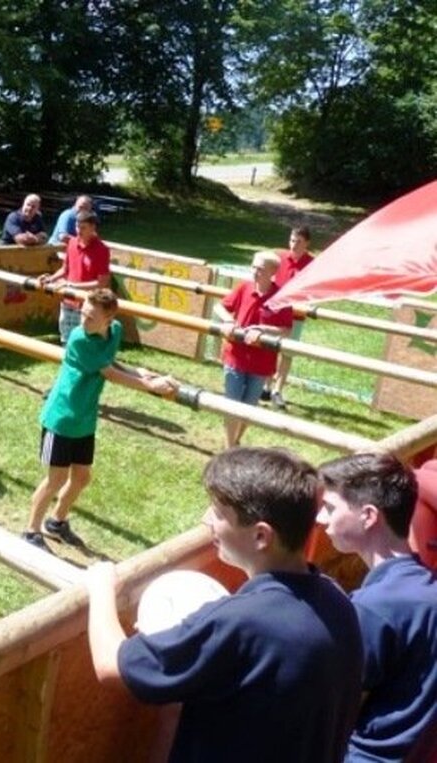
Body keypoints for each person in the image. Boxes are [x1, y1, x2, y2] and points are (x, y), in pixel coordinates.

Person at [87, 447, 364, 763]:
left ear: (261, 536)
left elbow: (111, 666)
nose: (205, 519)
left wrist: (101, 587)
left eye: (219, 513)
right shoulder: (336, 601)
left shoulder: (241, 623)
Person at [24, 288, 176, 552]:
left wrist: (141, 372)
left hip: (84, 419)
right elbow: (108, 373)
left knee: (81, 477)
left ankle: (57, 521)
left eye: (91, 317)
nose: (84, 320)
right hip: (61, 418)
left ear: (109, 319)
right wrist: (150, 386)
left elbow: (110, 361)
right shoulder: (79, 338)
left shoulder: (115, 331)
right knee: (56, 479)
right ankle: (30, 531)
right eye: (82, 313)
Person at [317, 452, 437, 762]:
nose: (321, 519)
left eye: (330, 508)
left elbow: (336, 709)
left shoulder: (373, 607)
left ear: (368, 516)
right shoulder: (426, 590)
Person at [213, 250, 293, 447]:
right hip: (235, 356)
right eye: (253, 267)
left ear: (272, 272)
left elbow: (286, 330)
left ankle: (236, 440)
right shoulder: (244, 288)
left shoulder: (281, 298)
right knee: (232, 403)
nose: (255, 271)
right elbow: (219, 307)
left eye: (260, 268)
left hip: (261, 363)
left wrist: (263, 329)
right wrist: (229, 321)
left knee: (249, 408)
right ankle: (230, 447)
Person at [38, 211, 111, 343]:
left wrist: (71, 285)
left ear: (93, 227)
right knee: (66, 337)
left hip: (88, 303)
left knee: (84, 338)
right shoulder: (72, 243)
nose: (78, 231)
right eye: (77, 227)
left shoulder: (101, 250)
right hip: (68, 300)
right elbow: (65, 269)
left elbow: (101, 282)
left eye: (83, 228)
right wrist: (51, 279)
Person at [265, 226, 315, 409]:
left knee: (287, 351)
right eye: (292, 240)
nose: (294, 245)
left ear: (307, 243)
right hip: (276, 312)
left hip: (296, 314)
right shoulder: (279, 258)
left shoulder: (312, 264)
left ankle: (277, 390)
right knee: (269, 347)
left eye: (299, 241)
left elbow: (313, 290)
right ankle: (266, 385)